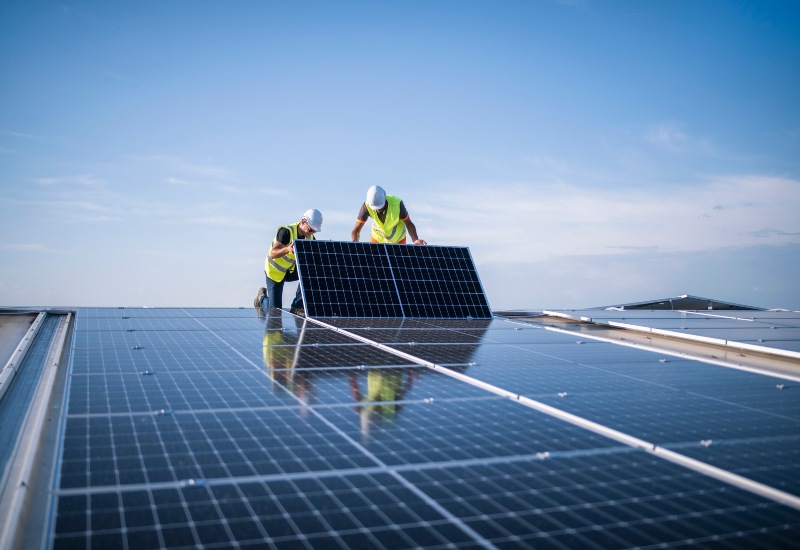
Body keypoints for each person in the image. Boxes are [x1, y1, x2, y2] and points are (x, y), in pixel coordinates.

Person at [256, 208, 322, 315]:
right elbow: (273, 253)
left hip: (289, 270)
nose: (312, 233)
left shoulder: (310, 238)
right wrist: (287, 249)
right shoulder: (286, 232)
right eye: (311, 230)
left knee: (310, 272)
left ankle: (297, 306)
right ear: (303, 222)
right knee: (275, 311)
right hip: (275, 273)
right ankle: (262, 299)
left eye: (314, 231)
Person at [350, 185, 427, 245]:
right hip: (377, 238)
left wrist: (415, 240)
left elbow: (409, 223)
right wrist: (355, 242)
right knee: (373, 263)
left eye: (380, 207)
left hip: (398, 239)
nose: (378, 210)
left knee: (397, 264)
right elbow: (356, 229)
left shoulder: (397, 204)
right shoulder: (367, 206)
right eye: (375, 208)